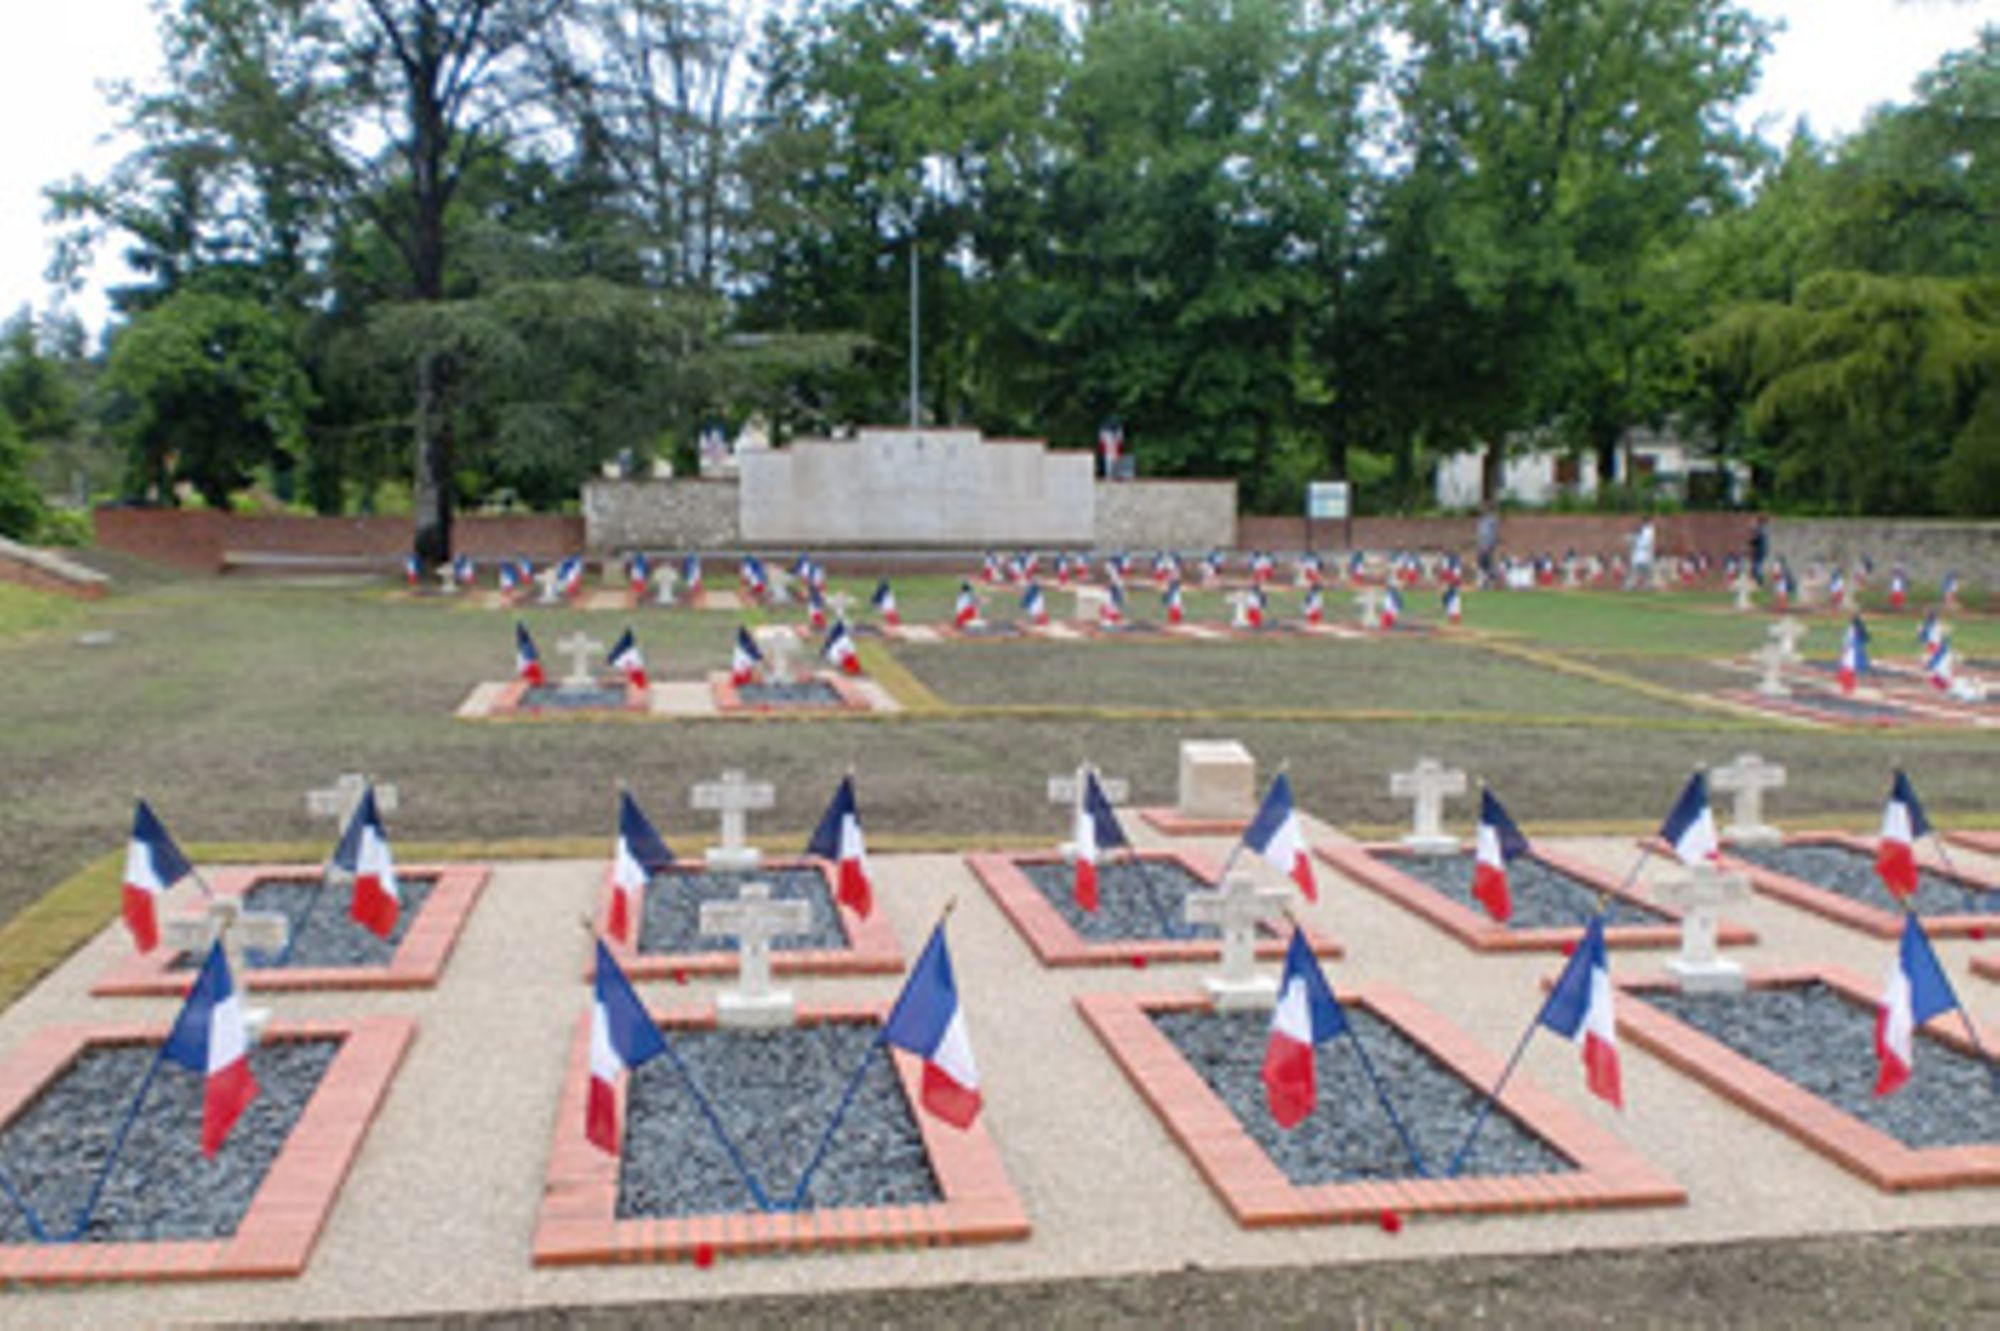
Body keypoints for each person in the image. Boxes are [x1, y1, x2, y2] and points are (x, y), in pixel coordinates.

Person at [1627, 517, 1656, 590]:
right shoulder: (1648, 530)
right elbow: (1640, 539)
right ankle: (1636, 585)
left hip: (1643, 554)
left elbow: (1643, 539)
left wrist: (1632, 538)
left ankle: (1641, 585)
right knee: (1640, 571)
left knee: (1641, 571)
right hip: (1641, 554)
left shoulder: (1648, 530)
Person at [1475, 506, 1499, 587]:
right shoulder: (1481, 522)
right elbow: (1480, 535)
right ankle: (1485, 582)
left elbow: (1493, 533)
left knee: (1488, 564)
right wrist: (1480, 545)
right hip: (1483, 546)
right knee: (1482, 565)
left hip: (1488, 545)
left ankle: (1491, 580)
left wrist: (1489, 545)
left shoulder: (1491, 520)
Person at [1748, 515, 1769, 587]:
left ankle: (1759, 580)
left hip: (1760, 550)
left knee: (1757, 564)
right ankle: (1757, 578)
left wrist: (1751, 542)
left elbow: (1757, 539)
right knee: (1757, 564)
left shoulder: (1761, 529)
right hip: (1761, 550)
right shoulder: (1763, 529)